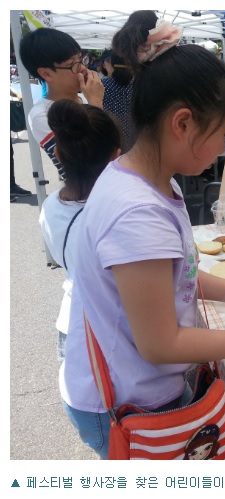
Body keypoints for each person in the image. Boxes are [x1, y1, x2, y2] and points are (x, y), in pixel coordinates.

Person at [60, 10, 225, 459]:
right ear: (183, 123)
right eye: (224, 133)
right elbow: (161, 343)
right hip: (124, 404)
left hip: (138, 387)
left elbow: (178, 272)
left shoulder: (154, 179)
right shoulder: (136, 213)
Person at [39, 99, 122, 360]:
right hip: (112, 334)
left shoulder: (50, 205)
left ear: (60, 155)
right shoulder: (119, 213)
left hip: (70, 326)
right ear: (116, 156)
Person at [19, 28, 104, 180]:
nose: (83, 69)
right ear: (46, 73)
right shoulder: (42, 114)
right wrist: (96, 104)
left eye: (81, 59)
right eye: (72, 64)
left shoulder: (83, 99)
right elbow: (82, 163)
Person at [102, 50, 137, 152]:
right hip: (136, 141)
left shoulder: (102, 85)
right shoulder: (139, 85)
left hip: (110, 139)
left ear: (112, 63)